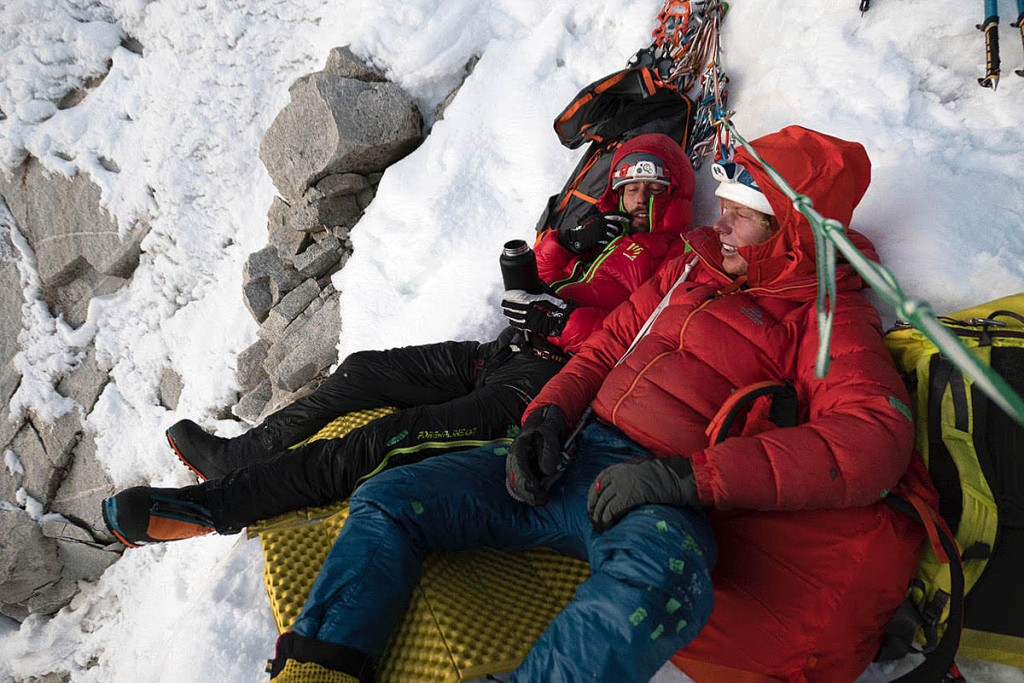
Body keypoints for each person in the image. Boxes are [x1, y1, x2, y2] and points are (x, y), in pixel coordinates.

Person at [261, 126, 936, 683]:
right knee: (391, 495)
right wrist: (546, 417)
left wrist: (687, 479)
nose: (722, 223)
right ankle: (319, 669)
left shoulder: (827, 312)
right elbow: (608, 345)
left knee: (665, 581)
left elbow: (871, 439)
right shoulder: (691, 265)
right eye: (724, 206)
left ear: (791, 229)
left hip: (657, 494)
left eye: (742, 215)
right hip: (573, 454)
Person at [102, 132, 696, 546]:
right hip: (500, 353)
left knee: (389, 436)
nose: (638, 200)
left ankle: (213, 509)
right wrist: (567, 242)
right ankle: (238, 456)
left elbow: (637, 341)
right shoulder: (605, 234)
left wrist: (559, 321)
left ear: (675, 197)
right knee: (363, 371)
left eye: (653, 190)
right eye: (631, 188)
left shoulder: (674, 261)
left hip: (544, 386)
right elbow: (532, 283)